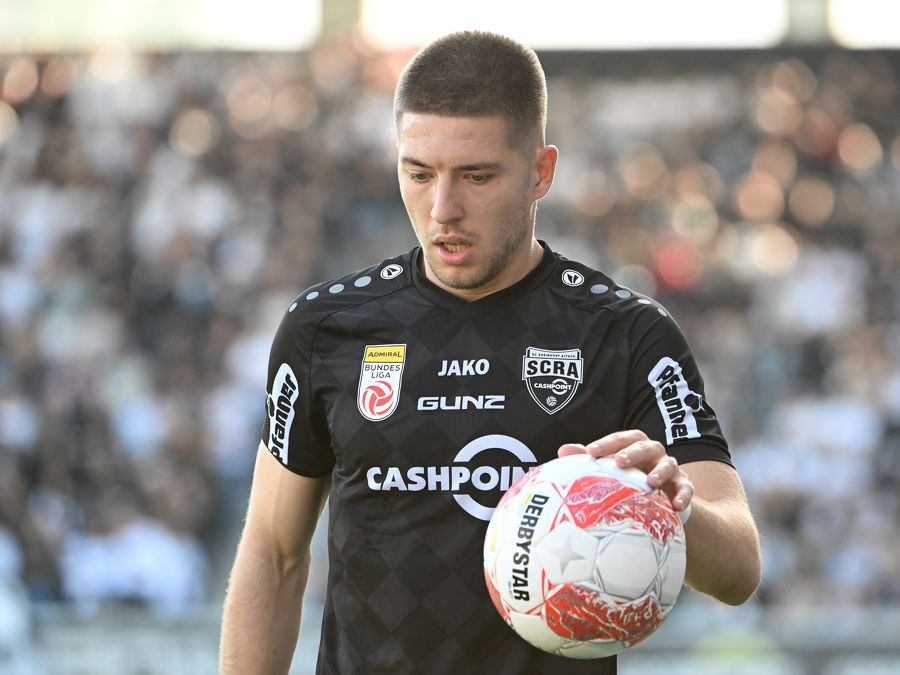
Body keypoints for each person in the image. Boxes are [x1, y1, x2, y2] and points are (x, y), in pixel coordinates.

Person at [219, 30, 761, 674]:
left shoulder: (625, 333)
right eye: (418, 173)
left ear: (541, 172)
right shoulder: (326, 328)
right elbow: (273, 555)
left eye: (477, 176)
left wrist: (679, 510)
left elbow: (740, 571)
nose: (442, 209)